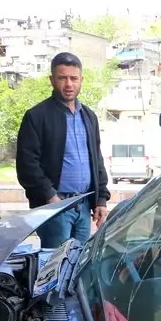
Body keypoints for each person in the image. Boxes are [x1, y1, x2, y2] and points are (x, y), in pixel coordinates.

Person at [15, 53, 110, 248]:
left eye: (74, 78)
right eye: (62, 78)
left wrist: (101, 199)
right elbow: (27, 165)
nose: (69, 84)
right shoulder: (37, 116)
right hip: (54, 207)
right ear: (52, 80)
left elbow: (96, 160)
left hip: (84, 206)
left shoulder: (89, 116)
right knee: (55, 268)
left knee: (78, 267)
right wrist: (51, 196)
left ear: (81, 80)